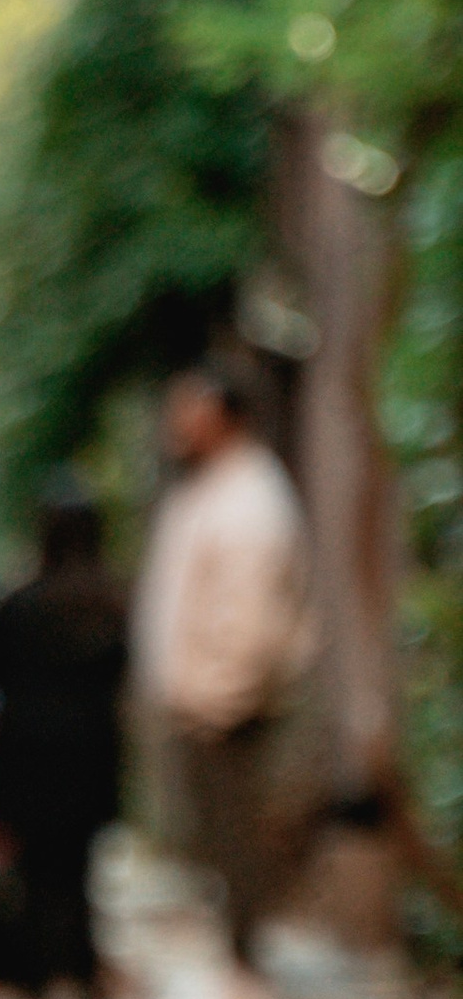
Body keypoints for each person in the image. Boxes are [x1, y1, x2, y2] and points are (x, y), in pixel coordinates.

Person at [133, 359, 317, 967]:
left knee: (242, 844)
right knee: (220, 844)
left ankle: (248, 964)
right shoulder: (209, 488)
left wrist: (221, 696)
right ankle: (239, 959)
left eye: (192, 411)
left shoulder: (250, 498)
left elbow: (251, 616)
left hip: (227, 705)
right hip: (200, 700)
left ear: (224, 419)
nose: (176, 423)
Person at [0, 475, 128, 999]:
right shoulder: (111, 607)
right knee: (82, 888)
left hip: (28, 767)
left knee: (35, 890)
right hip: (88, 766)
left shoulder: (21, 606)